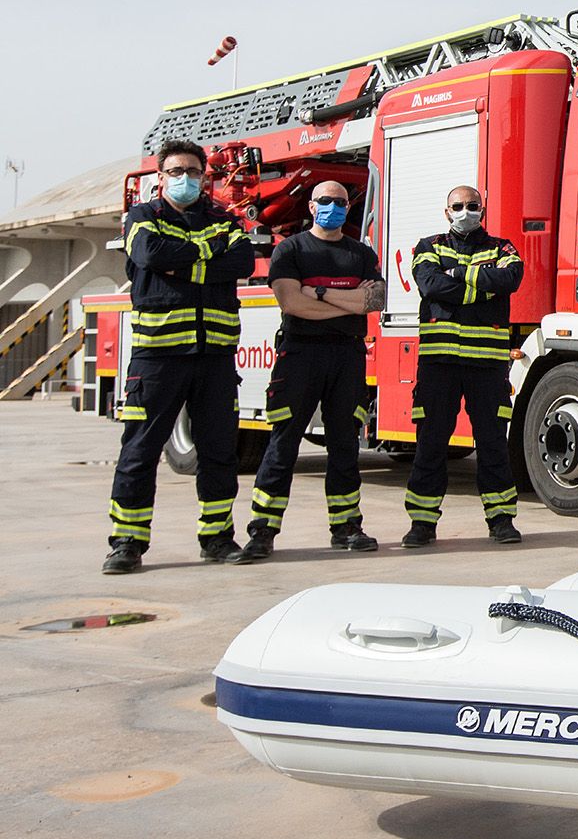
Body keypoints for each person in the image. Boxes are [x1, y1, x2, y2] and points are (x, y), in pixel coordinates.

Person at [103, 139, 256, 573]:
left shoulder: (224, 219)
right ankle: (127, 543)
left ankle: (218, 538)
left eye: (193, 171)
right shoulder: (141, 218)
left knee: (219, 452)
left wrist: (183, 261)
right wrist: (210, 254)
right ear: (160, 176)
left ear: (205, 176)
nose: (185, 179)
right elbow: (150, 254)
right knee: (140, 451)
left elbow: (242, 262)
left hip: (215, 357)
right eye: (175, 172)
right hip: (158, 358)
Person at [236, 181, 384, 561]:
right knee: (283, 444)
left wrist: (316, 293)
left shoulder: (360, 253)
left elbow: (375, 300)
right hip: (299, 354)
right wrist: (347, 301)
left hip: (346, 358)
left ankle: (346, 526)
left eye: (339, 201)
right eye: (324, 201)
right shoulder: (292, 249)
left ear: (349, 206)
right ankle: (263, 532)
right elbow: (291, 302)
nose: (332, 207)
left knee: (345, 445)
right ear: (311, 204)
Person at [402, 186, 526, 547]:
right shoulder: (428, 246)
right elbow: (429, 285)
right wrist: (479, 285)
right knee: (431, 444)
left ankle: (501, 520)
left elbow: (509, 280)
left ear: (482, 211)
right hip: (439, 366)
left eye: (473, 206)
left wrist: (455, 273)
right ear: (446, 212)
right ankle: (422, 524)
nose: (465, 211)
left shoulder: (502, 248)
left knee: (493, 446)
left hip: (486, 367)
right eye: (458, 206)